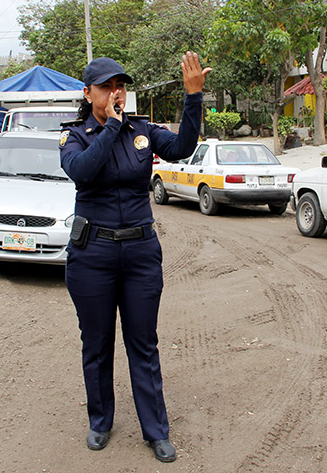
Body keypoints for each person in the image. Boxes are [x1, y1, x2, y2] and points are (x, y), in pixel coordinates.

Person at [59, 53, 211, 463]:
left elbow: (182, 148)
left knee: (143, 343)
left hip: (141, 252)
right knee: (97, 343)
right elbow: (84, 172)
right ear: (88, 92)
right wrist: (110, 126)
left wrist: (192, 97)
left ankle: (156, 430)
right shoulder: (76, 136)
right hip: (93, 253)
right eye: (107, 86)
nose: (116, 92)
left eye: (120, 85)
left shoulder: (143, 130)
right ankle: (100, 421)